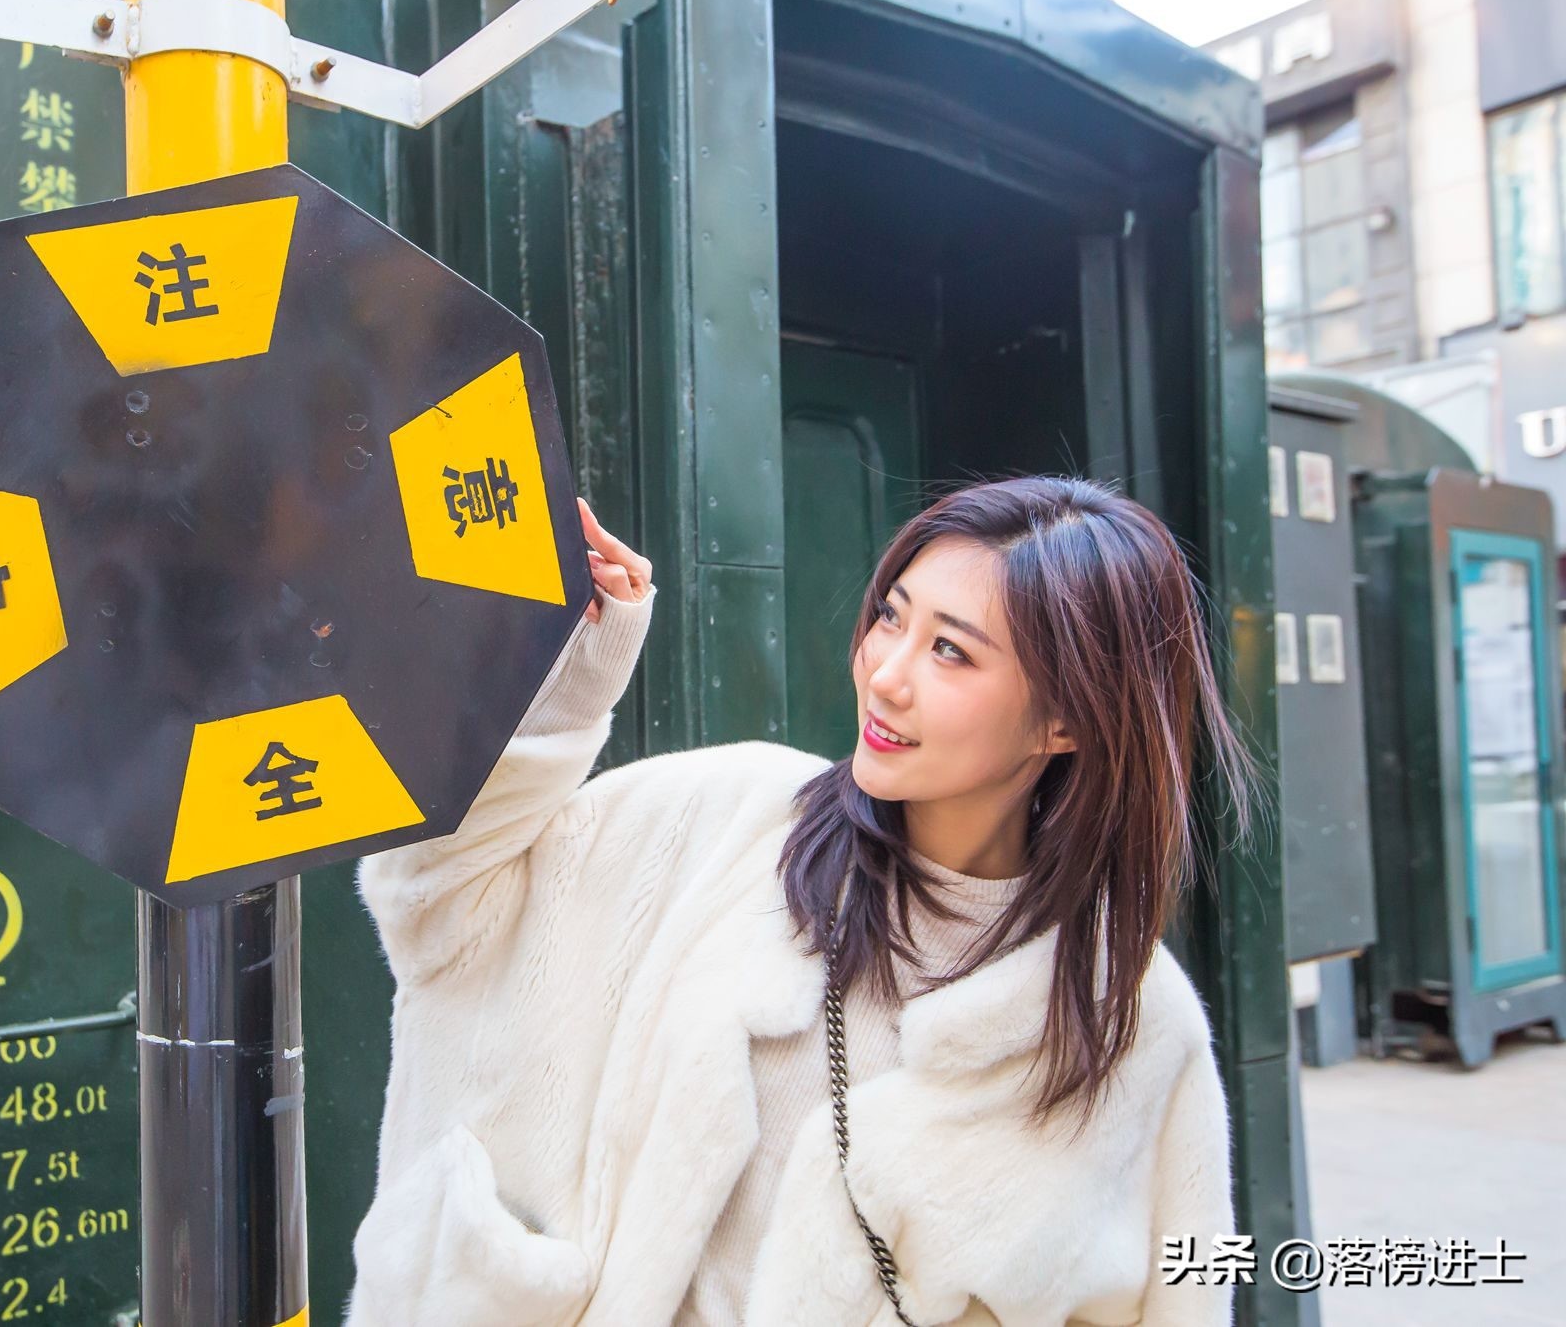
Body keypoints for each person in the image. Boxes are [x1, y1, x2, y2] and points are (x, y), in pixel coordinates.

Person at [345, 476, 1260, 1326]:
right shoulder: (730, 820)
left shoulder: (1134, 1027)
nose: (886, 672)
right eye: (891, 619)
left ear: (1065, 719)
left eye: (950, 650)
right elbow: (442, 911)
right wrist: (571, 670)